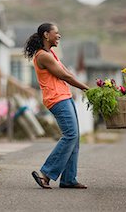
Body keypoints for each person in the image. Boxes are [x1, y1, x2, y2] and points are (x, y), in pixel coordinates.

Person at [24, 22, 90, 189]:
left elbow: (67, 73)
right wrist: (87, 89)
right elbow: (64, 76)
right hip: (56, 99)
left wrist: (81, 86)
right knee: (70, 135)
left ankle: (68, 179)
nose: (59, 35)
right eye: (56, 33)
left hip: (65, 96)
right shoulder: (42, 56)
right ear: (46, 35)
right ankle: (45, 174)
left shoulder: (50, 53)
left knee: (74, 138)